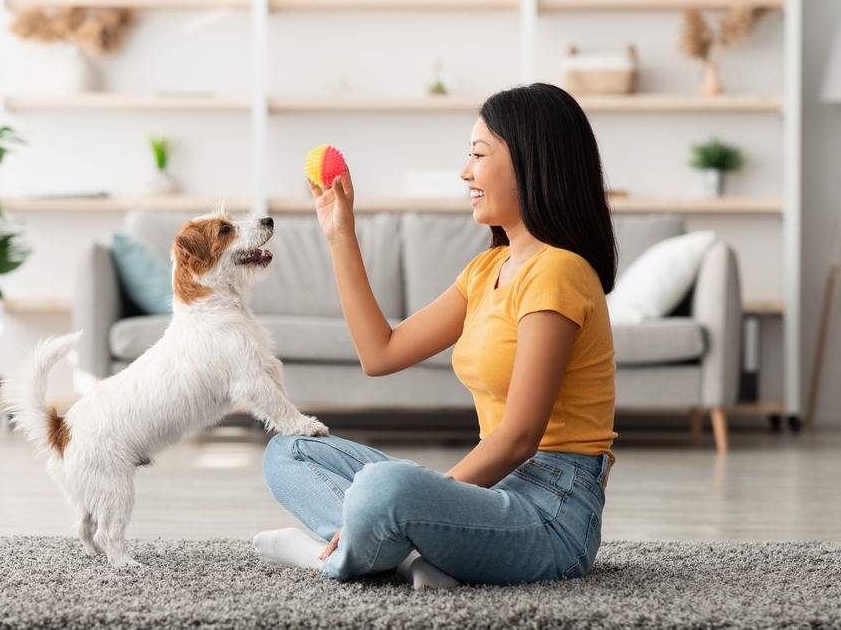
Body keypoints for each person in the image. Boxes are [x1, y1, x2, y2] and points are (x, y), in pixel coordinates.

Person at [253, 83, 618, 588]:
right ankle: (412, 559)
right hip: (494, 492)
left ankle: (329, 557)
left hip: (553, 514)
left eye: (478, 154)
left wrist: (417, 496)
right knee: (290, 451)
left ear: (532, 163)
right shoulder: (487, 268)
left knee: (386, 489)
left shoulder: (559, 272)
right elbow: (379, 354)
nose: (465, 171)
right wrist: (340, 235)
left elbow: (518, 439)